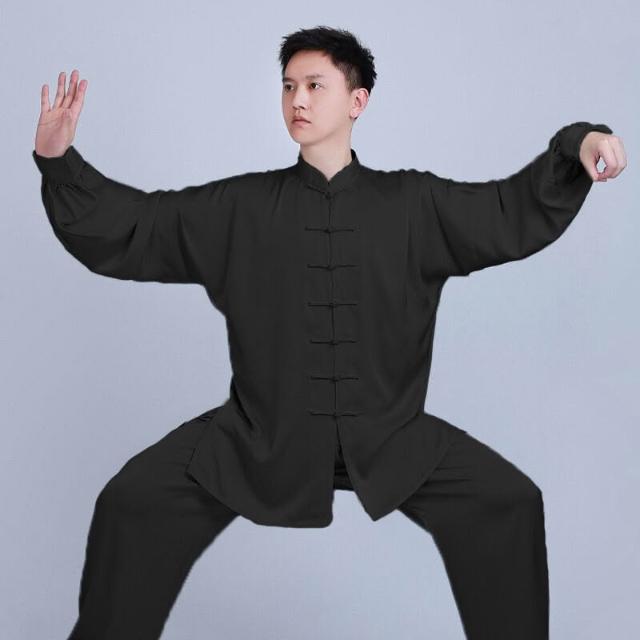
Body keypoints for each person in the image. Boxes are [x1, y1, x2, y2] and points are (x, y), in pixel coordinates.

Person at [32, 25, 625, 640]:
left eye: (315, 85)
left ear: (357, 100)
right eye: (288, 86)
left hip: (392, 437)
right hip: (261, 436)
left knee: (510, 503)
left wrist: (578, 143)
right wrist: (57, 161)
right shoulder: (239, 207)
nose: (298, 100)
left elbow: (507, 209)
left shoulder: (414, 203)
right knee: (131, 503)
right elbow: (140, 224)